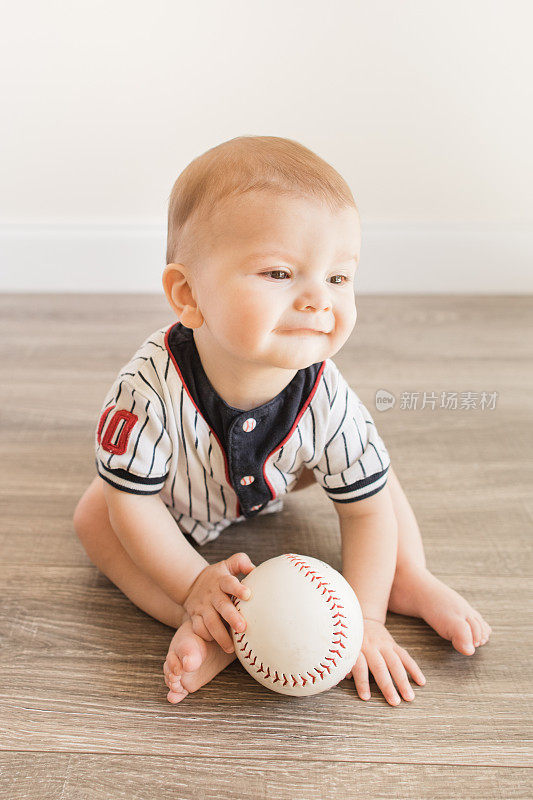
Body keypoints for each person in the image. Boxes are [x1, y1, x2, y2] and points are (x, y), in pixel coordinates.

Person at [73, 135, 491, 706]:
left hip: (272, 480)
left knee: (372, 472)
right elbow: (133, 502)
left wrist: (365, 618)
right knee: (97, 515)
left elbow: (365, 513)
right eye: (278, 273)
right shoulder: (149, 389)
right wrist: (194, 582)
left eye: (339, 278)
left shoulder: (326, 393)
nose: (320, 300)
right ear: (189, 294)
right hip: (171, 502)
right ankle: (209, 623)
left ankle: (408, 575)